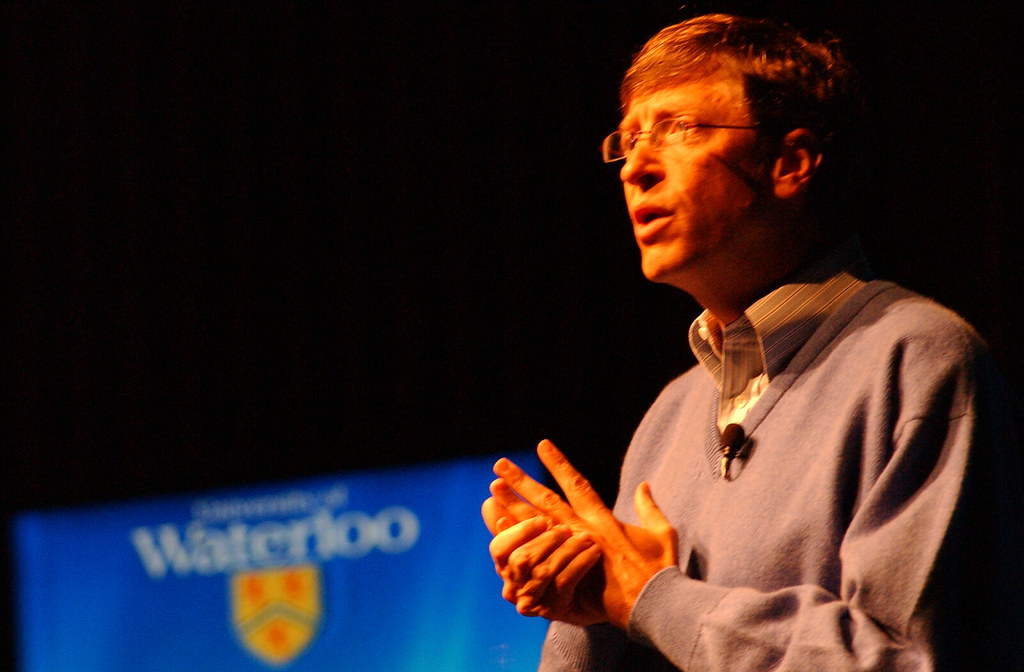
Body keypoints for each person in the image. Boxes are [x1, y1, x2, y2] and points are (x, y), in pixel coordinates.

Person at [481, 13, 1024, 672]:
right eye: (628, 140)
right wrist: (582, 593)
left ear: (791, 163)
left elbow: (906, 662)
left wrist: (651, 596)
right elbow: (629, 617)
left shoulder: (917, 361)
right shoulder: (671, 415)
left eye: (677, 129)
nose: (637, 168)